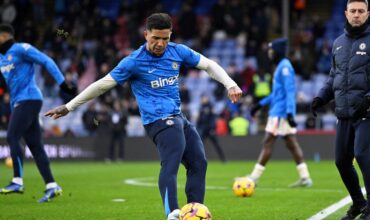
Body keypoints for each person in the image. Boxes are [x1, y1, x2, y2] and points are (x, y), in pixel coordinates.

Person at [44, 13, 242, 220]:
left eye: (165, 38)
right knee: (171, 162)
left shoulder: (178, 51)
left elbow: (209, 65)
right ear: (146, 34)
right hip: (157, 121)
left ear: (170, 36)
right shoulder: (133, 62)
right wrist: (69, 106)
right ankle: (173, 213)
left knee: (199, 162)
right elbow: (102, 85)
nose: (160, 43)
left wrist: (230, 84)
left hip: (177, 116)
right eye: (155, 38)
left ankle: (194, 212)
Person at [311, 1, 370, 219]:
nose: (356, 15)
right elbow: (333, 78)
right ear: (346, 14)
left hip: (368, 111)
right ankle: (358, 204)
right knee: (341, 162)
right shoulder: (338, 43)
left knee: (363, 157)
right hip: (345, 112)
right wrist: (321, 97)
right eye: (352, 11)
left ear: (368, 14)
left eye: (360, 11)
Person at [0, 23, 76, 202]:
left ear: (4, 36)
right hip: (17, 102)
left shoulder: (22, 49)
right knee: (35, 146)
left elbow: (46, 61)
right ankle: (52, 186)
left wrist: (63, 84)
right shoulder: (1, 58)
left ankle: (17, 181)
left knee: (12, 136)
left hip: (30, 98)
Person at [247, 38, 312, 188]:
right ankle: (305, 177)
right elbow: (277, 93)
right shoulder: (282, 66)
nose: (270, 54)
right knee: (291, 143)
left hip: (279, 113)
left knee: (268, 141)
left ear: (277, 52)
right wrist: (260, 104)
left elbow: (290, 91)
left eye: (271, 51)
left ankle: (254, 177)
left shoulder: (284, 68)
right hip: (280, 111)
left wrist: (290, 113)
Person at [197, 95, 226, 162]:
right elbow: (200, 119)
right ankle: (199, 159)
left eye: (204, 98)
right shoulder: (201, 107)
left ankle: (223, 159)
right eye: (202, 98)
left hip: (210, 129)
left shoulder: (210, 106)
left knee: (216, 144)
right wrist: (198, 126)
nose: (203, 100)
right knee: (199, 144)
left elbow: (213, 118)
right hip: (203, 129)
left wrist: (213, 128)